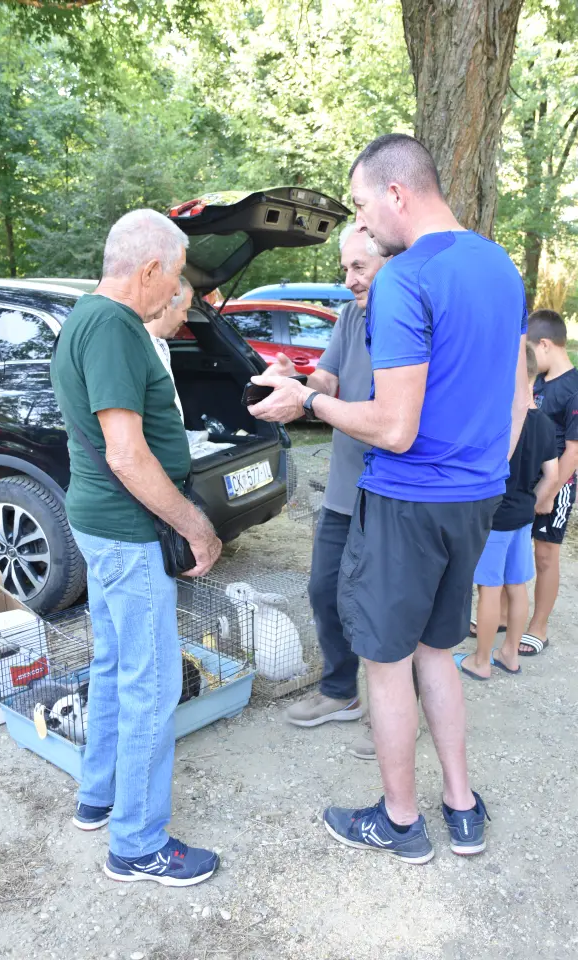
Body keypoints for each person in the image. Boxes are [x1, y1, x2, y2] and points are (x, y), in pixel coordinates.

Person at [249, 133, 529, 864]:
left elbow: (394, 427)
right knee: (439, 653)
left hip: (406, 500)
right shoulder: (498, 266)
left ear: (397, 192)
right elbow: (505, 395)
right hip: (474, 500)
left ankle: (401, 822)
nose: (366, 223)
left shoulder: (407, 278)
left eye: (367, 204)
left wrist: (309, 398)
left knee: (387, 664)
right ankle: (461, 808)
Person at [51, 209, 222, 886]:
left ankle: (98, 797)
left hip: (100, 524)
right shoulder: (117, 328)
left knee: (118, 663)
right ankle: (139, 843)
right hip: (125, 531)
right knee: (150, 684)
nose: (175, 295)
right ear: (150, 268)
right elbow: (126, 454)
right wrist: (194, 524)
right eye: (175, 278)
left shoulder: (84, 318)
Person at [273, 224, 419, 759]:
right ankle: (340, 692)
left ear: (390, 262)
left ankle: (398, 714)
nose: (349, 279)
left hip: (393, 492)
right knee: (324, 589)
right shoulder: (351, 315)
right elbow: (328, 386)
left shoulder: (410, 315)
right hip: (343, 490)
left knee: (390, 607)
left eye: (359, 267)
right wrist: (298, 378)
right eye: (345, 268)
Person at [455, 344, 557, 680]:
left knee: (488, 588)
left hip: (495, 519)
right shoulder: (544, 423)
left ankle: (480, 661)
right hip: (523, 518)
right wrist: (532, 502)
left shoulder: (501, 420)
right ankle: (509, 654)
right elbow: (552, 476)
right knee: (516, 585)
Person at [521, 309, 578, 656]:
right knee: (510, 546)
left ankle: (538, 626)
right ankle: (500, 613)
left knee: (545, 555)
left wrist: (548, 492)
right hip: (523, 481)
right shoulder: (537, 382)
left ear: (545, 344)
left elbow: (573, 452)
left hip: (557, 484)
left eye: (529, 350)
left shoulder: (573, 388)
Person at [145, 276, 194, 422]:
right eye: (184, 310)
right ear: (166, 305)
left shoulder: (160, 345)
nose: (186, 319)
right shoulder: (142, 348)